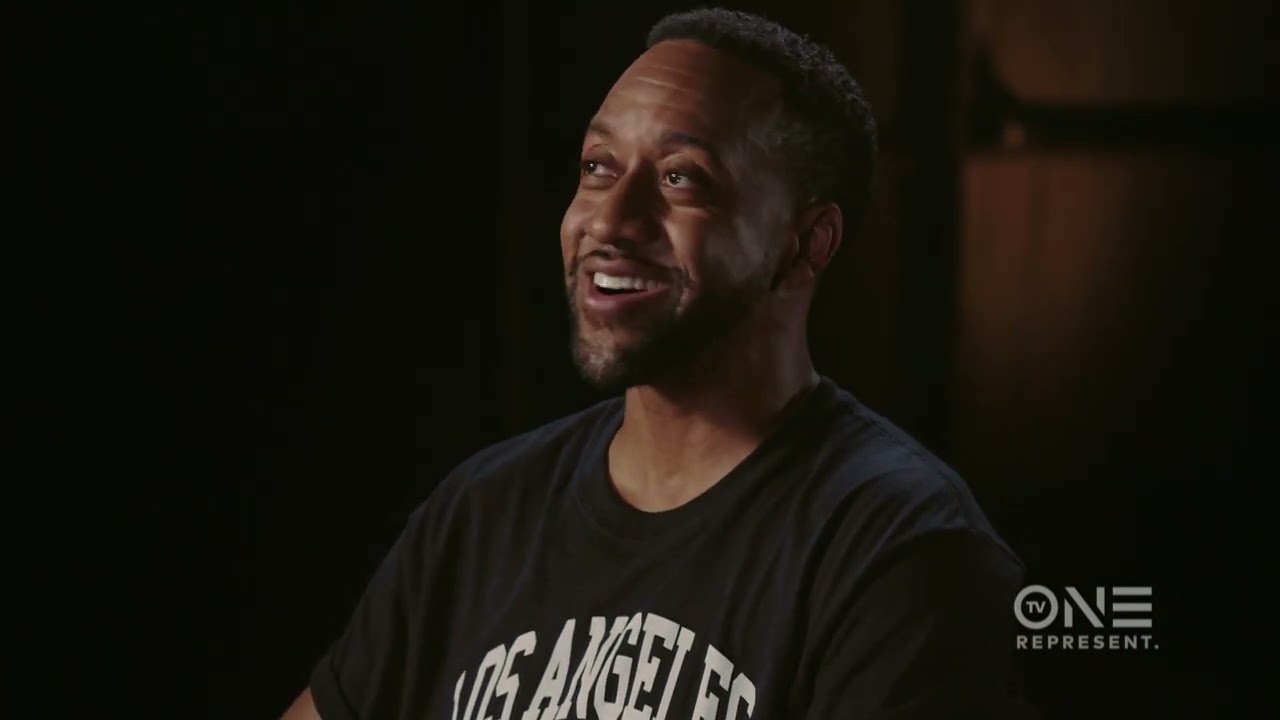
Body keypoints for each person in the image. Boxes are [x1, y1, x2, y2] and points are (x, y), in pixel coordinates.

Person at [282, 8, 1035, 720]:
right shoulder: (479, 514)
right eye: (598, 166)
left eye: (681, 177)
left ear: (807, 244)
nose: (609, 220)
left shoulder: (899, 550)